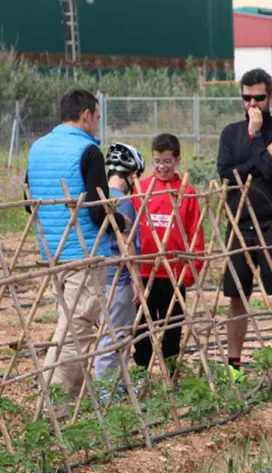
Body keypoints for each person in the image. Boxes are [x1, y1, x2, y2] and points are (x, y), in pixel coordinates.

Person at [26, 89, 129, 417]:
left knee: (70, 322)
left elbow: (30, 202)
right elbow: (99, 212)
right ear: (86, 115)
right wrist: (121, 220)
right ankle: (52, 407)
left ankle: (82, 402)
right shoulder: (88, 151)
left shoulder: (37, 148)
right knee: (76, 326)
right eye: (97, 117)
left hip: (51, 249)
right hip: (83, 250)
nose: (98, 124)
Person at [217, 68, 272, 372]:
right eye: (247, 98)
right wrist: (261, 151)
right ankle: (233, 363)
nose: (253, 104)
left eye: (259, 97)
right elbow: (226, 173)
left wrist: (255, 140)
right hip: (240, 222)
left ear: (271, 96)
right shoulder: (230, 133)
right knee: (237, 295)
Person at [132, 134, 204, 374]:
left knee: (172, 329)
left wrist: (189, 273)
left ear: (177, 160)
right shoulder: (142, 189)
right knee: (143, 328)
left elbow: (196, 234)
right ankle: (142, 372)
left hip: (174, 272)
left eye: (166, 161)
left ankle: (170, 375)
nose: (161, 167)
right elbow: (130, 232)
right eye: (156, 162)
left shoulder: (186, 192)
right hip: (145, 271)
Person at [94, 143, 144, 401]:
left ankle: (118, 387)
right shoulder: (122, 202)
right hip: (119, 279)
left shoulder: (102, 196)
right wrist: (136, 280)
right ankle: (106, 394)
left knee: (118, 336)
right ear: (132, 174)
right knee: (113, 338)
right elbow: (127, 243)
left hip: (103, 276)